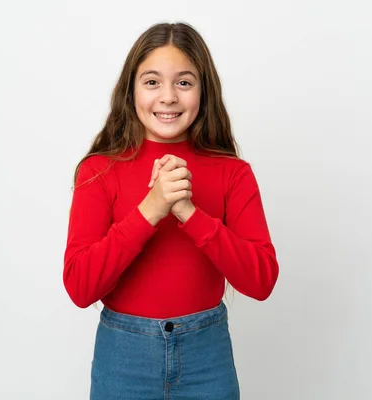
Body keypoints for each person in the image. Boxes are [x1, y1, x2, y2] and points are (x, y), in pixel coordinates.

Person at [63, 21, 279, 399]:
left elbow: (260, 282)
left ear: (203, 91)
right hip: (124, 357)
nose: (168, 97)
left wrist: (189, 213)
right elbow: (81, 288)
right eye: (151, 82)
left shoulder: (233, 173)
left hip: (206, 355)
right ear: (129, 90)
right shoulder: (99, 170)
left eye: (183, 82)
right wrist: (150, 209)